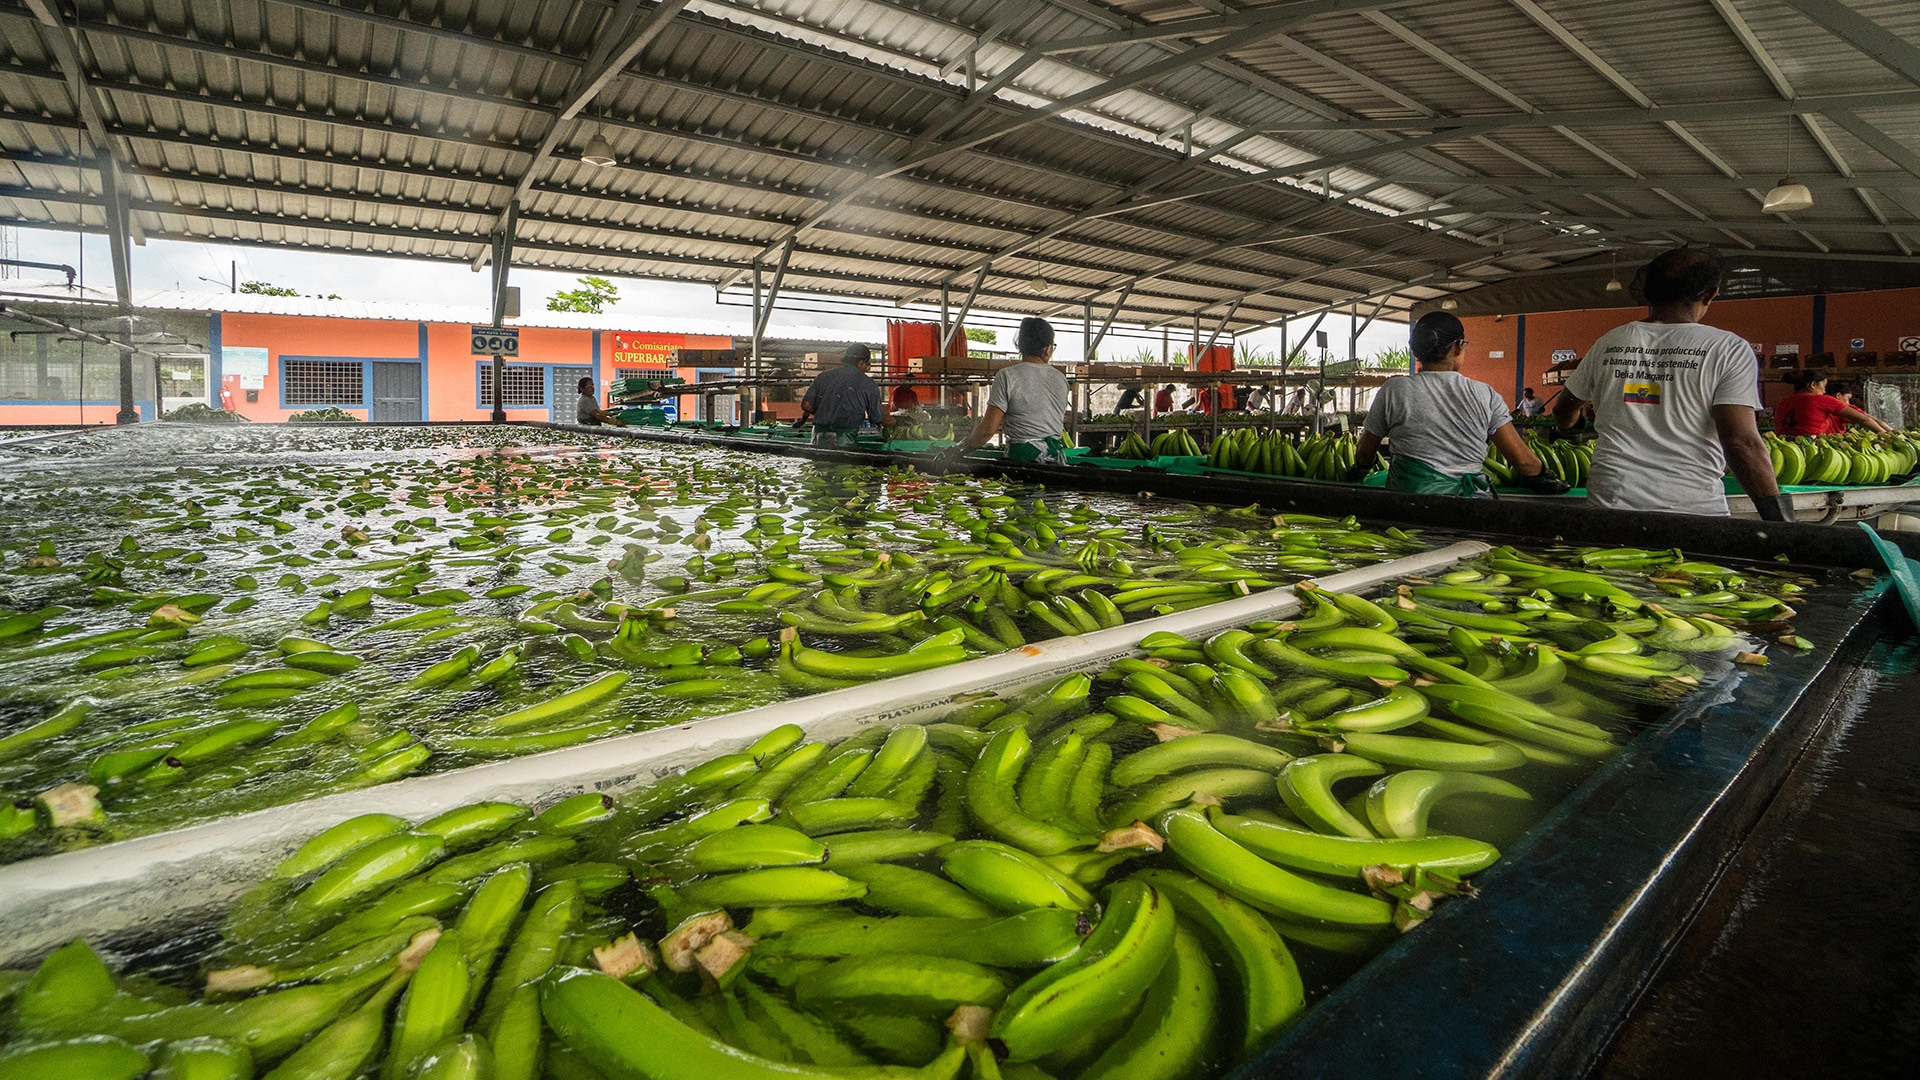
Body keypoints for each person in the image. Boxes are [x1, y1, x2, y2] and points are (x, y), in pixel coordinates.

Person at [1552, 248, 1790, 520]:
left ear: (1649, 290)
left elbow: (1563, 410)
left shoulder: (1610, 341)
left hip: (1612, 506)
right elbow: (1740, 442)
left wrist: (1571, 425)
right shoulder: (1727, 348)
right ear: (1709, 294)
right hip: (1692, 510)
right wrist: (1778, 520)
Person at [1346, 312, 1566, 497]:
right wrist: (1543, 477)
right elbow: (1523, 461)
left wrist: (1360, 469)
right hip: (1469, 507)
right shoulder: (1485, 394)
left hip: (1408, 504)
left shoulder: (1394, 390)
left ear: (1417, 350)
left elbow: (1364, 455)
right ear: (1458, 347)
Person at [951, 317, 1072, 464]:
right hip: (1056, 460)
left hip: (1023, 459)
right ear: (1047, 349)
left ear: (1020, 345)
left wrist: (956, 450)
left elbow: (987, 430)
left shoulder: (1007, 376)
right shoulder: (1060, 378)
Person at [800, 344, 892, 446]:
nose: (867, 369)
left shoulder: (823, 376)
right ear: (862, 362)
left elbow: (806, 404)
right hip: (844, 439)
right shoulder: (868, 383)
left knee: (817, 461)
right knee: (843, 461)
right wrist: (898, 421)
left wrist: (827, 412)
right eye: (867, 365)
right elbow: (877, 418)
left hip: (818, 436)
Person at [1774, 373, 1888, 435]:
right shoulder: (1821, 400)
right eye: (1823, 386)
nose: (1824, 391)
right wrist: (1886, 435)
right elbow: (1864, 419)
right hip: (1811, 446)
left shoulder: (1781, 403)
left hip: (1784, 446)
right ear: (1813, 385)